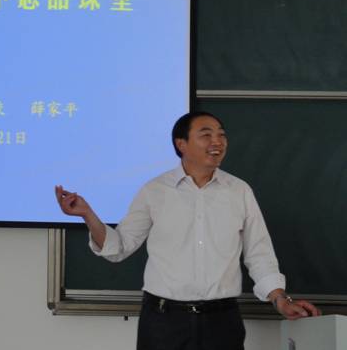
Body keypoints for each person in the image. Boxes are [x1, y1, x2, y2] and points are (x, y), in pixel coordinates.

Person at [55, 111, 321, 350]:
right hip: (163, 321)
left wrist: (280, 299)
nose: (217, 142)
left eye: (221, 135)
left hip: (222, 320)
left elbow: (259, 254)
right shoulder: (155, 191)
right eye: (206, 135)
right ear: (181, 144)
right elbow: (120, 246)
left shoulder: (239, 191)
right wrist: (88, 215)